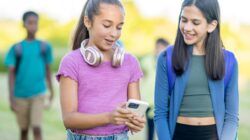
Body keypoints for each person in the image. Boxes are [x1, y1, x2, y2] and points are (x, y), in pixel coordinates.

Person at [56, 0, 146, 139]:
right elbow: (68, 119)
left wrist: (135, 122)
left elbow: (134, 113)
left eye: (119, 27)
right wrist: (108, 117)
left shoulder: (130, 63)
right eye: (107, 25)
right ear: (87, 22)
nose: (114, 33)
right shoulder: (71, 62)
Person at [154, 0, 239, 140]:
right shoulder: (166, 58)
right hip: (178, 135)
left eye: (195, 22)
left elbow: (231, 117)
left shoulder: (228, 61)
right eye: (183, 20)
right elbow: (160, 113)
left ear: (211, 26)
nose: (187, 27)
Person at [5, 11, 54, 140]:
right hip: (20, 96)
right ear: (24, 25)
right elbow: (11, 75)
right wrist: (11, 98)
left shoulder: (44, 47)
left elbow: (48, 71)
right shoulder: (16, 49)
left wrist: (52, 91)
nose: (33, 26)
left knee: (37, 128)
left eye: (35, 23)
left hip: (38, 93)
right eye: (30, 23)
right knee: (24, 130)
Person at [140, 38, 169, 140]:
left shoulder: (169, 63)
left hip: (162, 101)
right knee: (150, 128)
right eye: (158, 48)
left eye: (162, 48)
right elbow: (141, 77)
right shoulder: (146, 60)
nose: (159, 50)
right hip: (148, 100)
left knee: (163, 128)